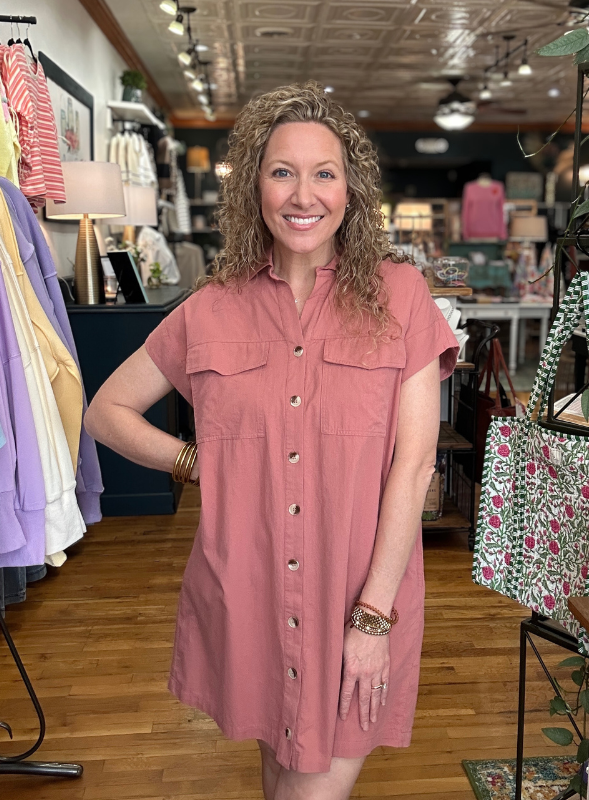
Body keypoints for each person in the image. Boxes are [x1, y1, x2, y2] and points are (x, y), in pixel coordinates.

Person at [84, 81, 459, 800]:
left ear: (351, 190)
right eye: (282, 171)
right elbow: (106, 413)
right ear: (255, 185)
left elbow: (412, 467)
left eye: (324, 173)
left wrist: (373, 617)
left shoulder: (401, 296)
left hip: (358, 597)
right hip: (248, 595)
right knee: (277, 773)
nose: (302, 194)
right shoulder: (210, 307)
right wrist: (195, 461)